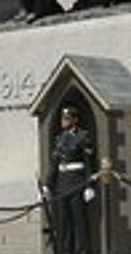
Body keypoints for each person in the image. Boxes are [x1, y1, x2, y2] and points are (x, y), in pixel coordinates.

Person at [50, 105, 94, 254]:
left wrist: (89, 185)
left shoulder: (83, 136)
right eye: (63, 118)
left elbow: (88, 162)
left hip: (77, 184)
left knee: (79, 222)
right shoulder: (59, 138)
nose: (63, 121)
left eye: (67, 118)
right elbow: (55, 164)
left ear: (75, 120)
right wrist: (48, 185)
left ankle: (82, 251)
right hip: (62, 185)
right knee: (64, 224)